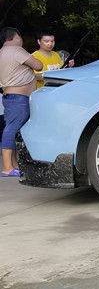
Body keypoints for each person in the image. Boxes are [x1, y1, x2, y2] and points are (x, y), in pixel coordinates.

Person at [0, 27, 43, 177]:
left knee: (12, 129)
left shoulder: (2, 52)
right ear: (15, 37)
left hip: (10, 97)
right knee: (11, 129)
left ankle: (13, 165)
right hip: (18, 98)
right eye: (20, 36)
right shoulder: (16, 50)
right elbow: (38, 65)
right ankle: (7, 167)